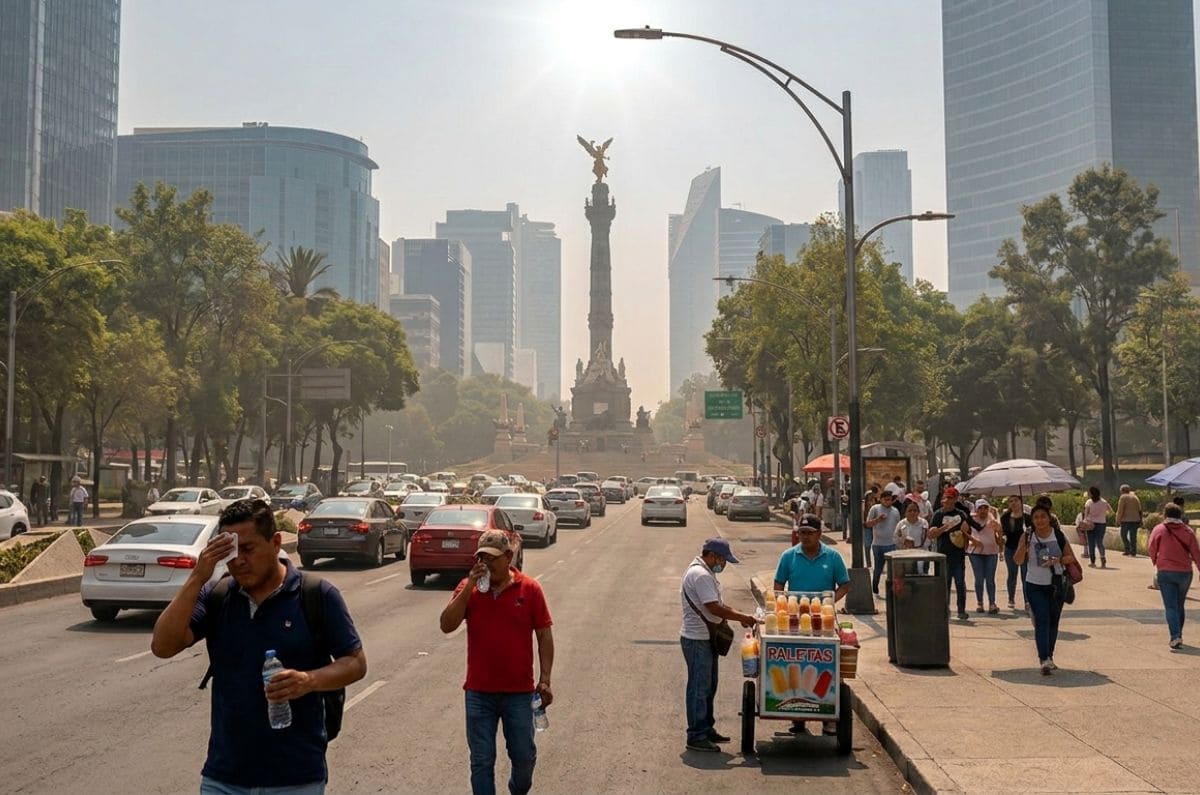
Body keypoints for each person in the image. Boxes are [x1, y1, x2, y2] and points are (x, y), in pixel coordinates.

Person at [150, 499, 366, 793]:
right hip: (224, 777)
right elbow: (163, 646)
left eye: (248, 549)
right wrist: (198, 576)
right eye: (231, 552)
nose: (238, 560)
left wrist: (309, 680)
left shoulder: (316, 595)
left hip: (295, 778)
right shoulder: (218, 595)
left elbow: (355, 662)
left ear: (276, 542)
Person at [440, 529, 554, 795]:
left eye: (492, 558)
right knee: (481, 762)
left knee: (524, 759)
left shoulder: (530, 589)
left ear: (508, 556)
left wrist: (545, 679)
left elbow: (544, 635)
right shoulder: (468, 589)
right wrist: (469, 587)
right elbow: (446, 625)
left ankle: (517, 789)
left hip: (519, 694)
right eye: (482, 558)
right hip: (479, 694)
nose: (486, 564)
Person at [773, 514, 850, 735]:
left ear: (819, 534)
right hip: (794, 620)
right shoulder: (789, 556)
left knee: (828, 664)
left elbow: (844, 585)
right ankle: (798, 716)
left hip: (823, 621)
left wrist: (829, 603)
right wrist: (782, 602)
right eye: (801, 533)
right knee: (794, 662)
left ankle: (829, 716)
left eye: (808, 533)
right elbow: (779, 583)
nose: (804, 537)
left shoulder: (833, 557)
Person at [679, 537, 757, 753]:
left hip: (705, 638)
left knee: (709, 686)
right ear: (712, 555)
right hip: (697, 639)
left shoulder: (705, 572)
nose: (723, 565)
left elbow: (719, 604)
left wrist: (739, 615)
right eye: (722, 560)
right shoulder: (701, 575)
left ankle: (706, 728)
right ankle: (696, 735)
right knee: (699, 687)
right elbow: (713, 607)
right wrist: (741, 616)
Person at [1014, 502, 1079, 675]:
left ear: (1049, 518)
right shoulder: (1028, 536)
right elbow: (1018, 561)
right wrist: (1023, 546)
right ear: (1032, 520)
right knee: (1042, 619)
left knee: (1053, 621)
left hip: (1056, 584)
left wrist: (1057, 560)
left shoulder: (1058, 535)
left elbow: (1070, 557)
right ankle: (1044, 658)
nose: (1040, 520)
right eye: (1036, 517)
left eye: (1043, 516)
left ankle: (1049, 654)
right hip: (1034, 584)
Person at [1148, 504, 1200, 649]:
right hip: (1185, 573)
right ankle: (1179, 634)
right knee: (1179, 604)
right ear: (1180, 515)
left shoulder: (1159, 529)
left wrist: (1156, 561)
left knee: (1170, 606)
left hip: (1165, 572)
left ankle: (1175, 636)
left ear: (1165, 515)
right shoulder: (1188, 531)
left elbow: (1151, 547)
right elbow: (1196, 552)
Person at [929, 486, 981, 620]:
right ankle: (945, 610)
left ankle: (961, 610)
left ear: (956, 499)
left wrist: (966, 532)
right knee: (944, 584)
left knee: (959, 583)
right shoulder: (938, 514)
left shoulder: (961, 514)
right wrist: (942, 529)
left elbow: (970, 531)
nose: (947, 500)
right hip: (942, 555)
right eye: (945, 497)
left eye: (950, 498)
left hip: (958, 555)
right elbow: (931, 534)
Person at [967, 499, 1002, 614]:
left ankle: (992, 603)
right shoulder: (971, 519)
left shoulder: (992, 519)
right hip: (976, 552)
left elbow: (999, 536)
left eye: (985, 508)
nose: (983, 510)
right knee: (979, 578)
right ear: (976, 509)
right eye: (980, 508)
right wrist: (973, 540)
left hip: (991, 552)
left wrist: (999, 529)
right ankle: (980, 603)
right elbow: (963, 531)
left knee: (990, 579)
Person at [865, 491, 900, 595]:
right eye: (886, 500)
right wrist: (878, 520)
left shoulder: (895, 511)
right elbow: (868, 524)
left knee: (892, 570)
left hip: (892, 544)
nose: (888, 502)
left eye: (890, 499)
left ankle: (892, 590)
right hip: (878, 544)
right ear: (881, 499)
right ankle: (875, 584)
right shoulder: (875, 509)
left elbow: (898, 526)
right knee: (878, 567)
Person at [999, 496, 1030, 611]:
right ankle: (1011, 598)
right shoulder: (1005, 518)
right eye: (1011, 501)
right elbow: (1002, 534)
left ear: (1021, 502)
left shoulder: (1027, 518)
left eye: (1016, 500)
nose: (1013, 503)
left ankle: (1027, 600)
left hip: (1025, 550)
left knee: (1025, 575)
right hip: (1010, 549)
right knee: (1012, 575)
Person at [1080, 486, 1111, 568]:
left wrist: (1085, 521)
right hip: (1101, 523)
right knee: (1099, 542)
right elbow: (1109, 511)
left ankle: (1092, 561)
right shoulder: (1104, 502)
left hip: (1090, 524)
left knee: (1091, 542)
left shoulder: (1089, 502)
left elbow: (1086, 514)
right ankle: (1102, 557)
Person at [1115, 484, 1143, 557]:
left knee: (1123, 535)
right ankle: (1133, 551)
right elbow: (1140, 510)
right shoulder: (1135, 497)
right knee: (1133, 536)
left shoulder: (1123, 497)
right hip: (1135, 519)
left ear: (1122, 491)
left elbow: (1120, 510)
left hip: (1126, 520)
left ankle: (1127, 549)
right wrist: (1141, 519)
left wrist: (1117, 520)